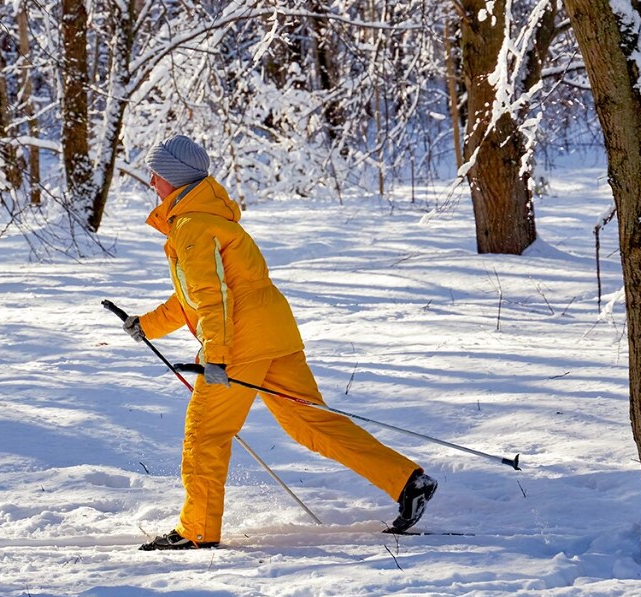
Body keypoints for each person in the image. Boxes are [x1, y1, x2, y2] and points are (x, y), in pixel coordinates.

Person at [124, 134, 437, 551]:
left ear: (175, 179)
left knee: (206, 435)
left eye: (157, 174)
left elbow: (211, 298)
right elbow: (192, 299)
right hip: (274, 334)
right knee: (310, 423)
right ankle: (407, 481)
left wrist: (215, 356)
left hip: (239, 342)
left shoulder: (191, 226)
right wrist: (145, 324)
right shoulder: (210, 219)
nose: (151, 181)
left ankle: (196, 530)